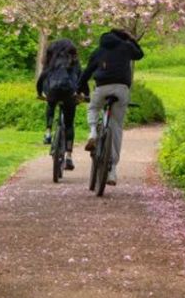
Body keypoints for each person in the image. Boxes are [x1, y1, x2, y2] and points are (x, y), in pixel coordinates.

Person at [78, 28, 144, 186]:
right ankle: (112, 170)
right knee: (116, 127)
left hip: (102, 88)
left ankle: (93, 132)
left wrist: (81, 89)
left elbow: (86, 74)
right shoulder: (126, 47)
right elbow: (140, 55)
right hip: (121, 89)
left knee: (93, 108)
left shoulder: (99, 50)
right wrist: (132, 40)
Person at [36, 38, 81, 171]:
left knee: (51, 103)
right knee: (69, 123)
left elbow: (42, 77)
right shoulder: (73, 60)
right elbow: (80, 77)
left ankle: (48, 132)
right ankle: (68, 156)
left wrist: (40, 92)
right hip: (69, 94)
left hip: (52, 93)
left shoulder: (51, 59)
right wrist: (83, 94)